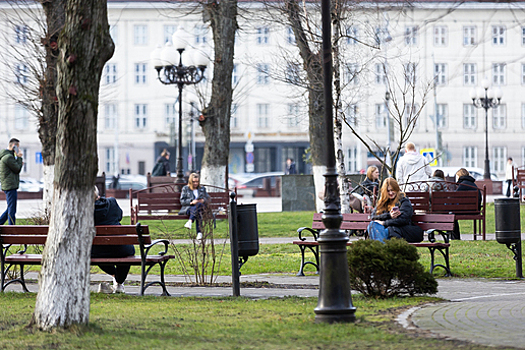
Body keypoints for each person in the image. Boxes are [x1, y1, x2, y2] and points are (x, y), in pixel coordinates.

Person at [92, 186, 135, 293]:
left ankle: (117, 279)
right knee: (126, 252)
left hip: (96, 249)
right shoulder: (112, 202)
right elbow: (119, 216)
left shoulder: (82, 210)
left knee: (98, 252)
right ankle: (119, 282)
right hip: (120, 247)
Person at [367, 177, 424, 243]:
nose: (391, 193)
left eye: (392, 190)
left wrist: (384, 223)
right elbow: (373, 216)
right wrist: (389, 215)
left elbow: (403, 219)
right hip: (386, 230)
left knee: (377, 229)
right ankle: (382, 249)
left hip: (399, 231)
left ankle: (380, 250)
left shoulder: (403, 200)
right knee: (373, 225)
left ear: (396, 189)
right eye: (388, 191)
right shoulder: (382, 202)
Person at [451, 168, 482, 240]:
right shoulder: (474, 185)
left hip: (463, 211)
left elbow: (455, 199)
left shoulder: (461, 185)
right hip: (475, 211)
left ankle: (455, 237)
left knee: (451, 214)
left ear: (459, 176)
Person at [0, 138, 24, 225]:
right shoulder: (8, 157)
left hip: (9, 185)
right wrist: (19, 157)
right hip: (10, 186)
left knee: (10, 208)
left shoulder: (7, 156)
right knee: (12, 209)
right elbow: (17, 169)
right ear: (14, 147)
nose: (19, 149)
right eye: (18, 147)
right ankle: (12, 229)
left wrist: (17, 159)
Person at [180, 173, 209, 240]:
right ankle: (199, 233)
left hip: (200, 208)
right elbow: (182, 201)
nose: (195, 183)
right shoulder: (186, 188)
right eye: (193, 182)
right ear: (190, 181)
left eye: (197, 181)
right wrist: (191, 202)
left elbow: (208, 199)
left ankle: (190, 221)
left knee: (199, 206)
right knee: (198, 209)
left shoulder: (202, 189)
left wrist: (203, 200)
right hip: (189, 209)